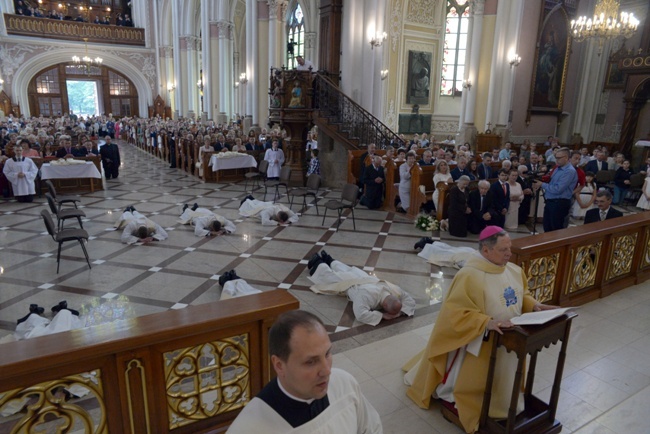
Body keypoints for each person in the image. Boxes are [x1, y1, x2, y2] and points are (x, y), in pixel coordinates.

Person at [403, 227, 557, 434]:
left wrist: (534, 305)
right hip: (481, 340)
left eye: (509, 247)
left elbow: (520, 296)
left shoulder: (513, 270)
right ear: (486, 250)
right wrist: (486, 322)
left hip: (513, 338)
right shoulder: (469, 275)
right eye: (503, 249)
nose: (509, 253)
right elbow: (455, 312)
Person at [227, 310, 382, 433]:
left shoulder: (345, 384)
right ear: (279, 365)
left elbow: (372, 428)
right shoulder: (249, 428)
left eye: (327, 353)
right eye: (311, 362)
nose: (327, 371)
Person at [307, 251, 415, 326]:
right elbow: (360, 314)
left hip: (363, 276)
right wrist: (381, 315)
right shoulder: (366, 295)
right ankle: (318, 260)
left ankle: (328, 258)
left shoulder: (395, 290)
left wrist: (400, 313)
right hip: (352, 283)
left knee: (346, 269)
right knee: (330, 276)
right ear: (385, 305)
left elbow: (409, 300)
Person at [533, 148, 577, 232]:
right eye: (555, 157)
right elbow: (551, 181)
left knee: (556, 229)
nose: (556, 160)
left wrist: (542, 184)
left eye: (559, 158)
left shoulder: (569, 171)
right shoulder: (557, 168)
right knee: (547, 227)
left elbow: (558, 189)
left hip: (559, 203)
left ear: (566, 158)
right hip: (550, 201)